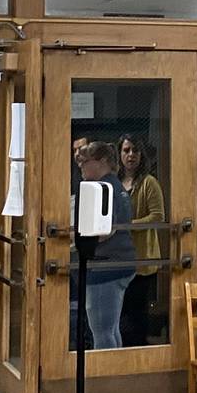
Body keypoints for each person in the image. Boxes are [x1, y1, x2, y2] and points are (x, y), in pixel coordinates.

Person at [76, 141, 135, 351]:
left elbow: (105, 229)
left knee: (101, 330)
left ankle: (105, 379)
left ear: (102, 162)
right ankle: (117, 374)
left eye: (84, 161)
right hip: (121, 263)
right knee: (110, 328)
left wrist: (78, 240)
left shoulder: (103, 188)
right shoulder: (116, 186)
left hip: (106, 266)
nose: (80, 166)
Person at [117, 134, 166, 347]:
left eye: (135, 151)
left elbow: (157, 217)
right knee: (121, 311)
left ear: (141, 155)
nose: (130, 155)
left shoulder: (149, 182)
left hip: (142, 259)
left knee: (138, 312)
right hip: (119, 257)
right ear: (119, 154)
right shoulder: (115, 181)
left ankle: (138, 352)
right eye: (126, 150)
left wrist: (130, 225)